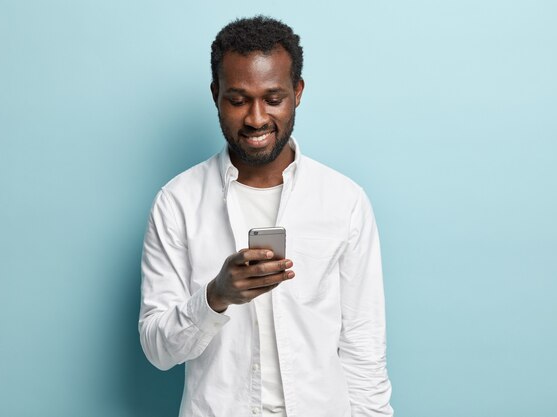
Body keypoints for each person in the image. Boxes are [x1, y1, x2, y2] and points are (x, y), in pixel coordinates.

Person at [139, 15, 393, 417]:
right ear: (215, 95)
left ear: (297, 92)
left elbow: (364, 348)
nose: (256, 118)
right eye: (238, 100)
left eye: (273, 98)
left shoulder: (344, 201)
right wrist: (215, 296)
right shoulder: (177, 202)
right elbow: (157, 349)